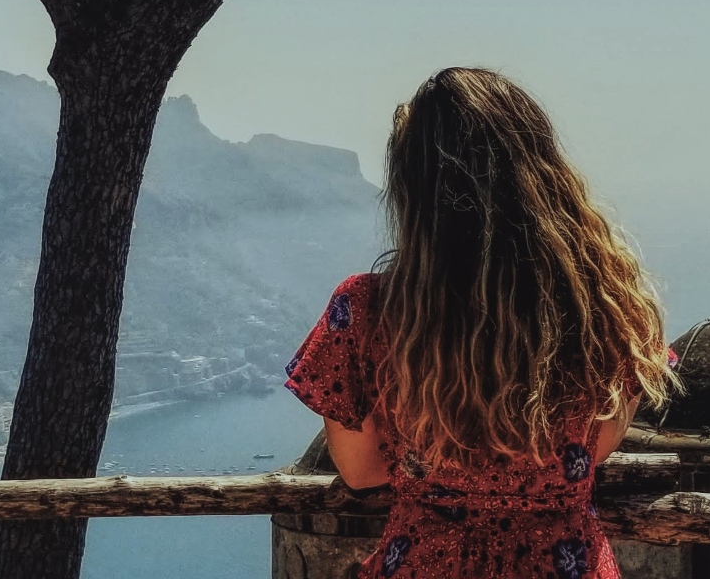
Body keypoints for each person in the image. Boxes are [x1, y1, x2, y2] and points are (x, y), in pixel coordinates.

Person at [283, 67, 682, 579]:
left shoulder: (364, 312)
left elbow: (362, 474)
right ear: (545, 172)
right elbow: (594, 449)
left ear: (414, 190)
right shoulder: (610, 304)